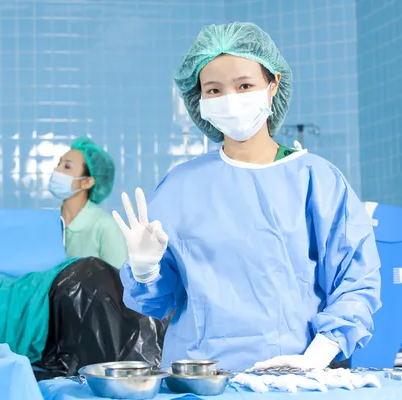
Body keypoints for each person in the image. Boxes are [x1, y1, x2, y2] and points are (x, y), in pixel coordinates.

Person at [112, 22, 381, 371]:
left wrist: (320, 353)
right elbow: (158, 302)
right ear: (200, 100)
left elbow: (355, 281)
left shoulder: (316, 180)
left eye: (244, 85)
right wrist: (146, 271)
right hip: (199, 380)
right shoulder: (180, 186)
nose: (230, 99)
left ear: (273, 86)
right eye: (213, 90)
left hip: (293, 376)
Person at [49, 136, 128, 269]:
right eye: (59, 164)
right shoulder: (49, 222)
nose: (57, 170)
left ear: (87, 182)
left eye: (67, 166)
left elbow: (119, 282)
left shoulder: (105, 226)